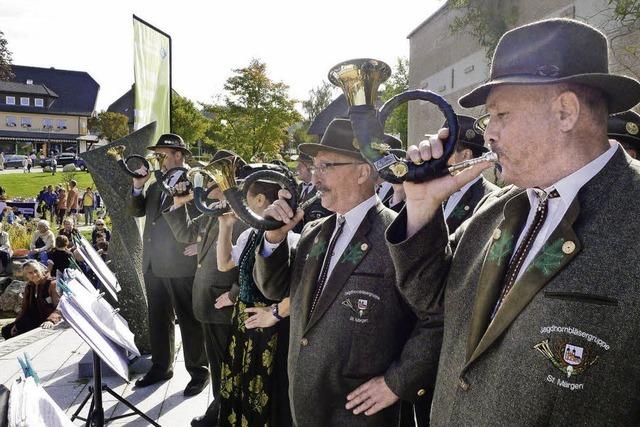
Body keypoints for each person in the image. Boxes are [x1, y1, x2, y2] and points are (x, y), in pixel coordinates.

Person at [386, 18, 640, 425]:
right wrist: (421, 206)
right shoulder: (500, 208)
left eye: (500, 114)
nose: (489, 135)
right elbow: (434, 301)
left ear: (565, 111)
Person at [254, 118, 440, 426]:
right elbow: (275, 290)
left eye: (325, 167)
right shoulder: (314, 232)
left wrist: (397, 382)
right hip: (306, 404)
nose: (315, 179)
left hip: (361, 414)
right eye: (314, 168)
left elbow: (436, 318)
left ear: (363, 172)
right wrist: (274, 238)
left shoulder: (400, 234)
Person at [164, 149, 250, 427]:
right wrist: (179, 204)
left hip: (223, 304)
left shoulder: (242, 215)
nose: (206, 184)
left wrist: (235, 294)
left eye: (212, 178)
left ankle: (224, 415)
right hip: (208, 302)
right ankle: (220, 409)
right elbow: (187, 234)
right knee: (217, 365)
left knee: (227, 366)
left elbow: (252, 262)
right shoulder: (214, 210)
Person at [127, 133, 209, 396]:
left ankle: (199, 371)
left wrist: (201, 244)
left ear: (178, 154)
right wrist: (137, 185)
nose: (158, 160)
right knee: (158, 319)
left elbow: (205, 217)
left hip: (181, 261)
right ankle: (161, 367)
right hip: (153, 262)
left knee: (189, 320)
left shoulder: (196, 179)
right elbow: (136, 211)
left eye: (162, 154)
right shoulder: (155, 185)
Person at [216, 177, 294, 427]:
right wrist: (225, 226)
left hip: (269, 332)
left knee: (264, 392)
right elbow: (224, 264)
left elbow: (297, 290)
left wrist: (273, 312)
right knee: (237, 385)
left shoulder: (290, 238)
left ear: (260, 200)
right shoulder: (249, 234)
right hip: (242, 325)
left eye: (246, 199)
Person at [442, 115, 499, 233]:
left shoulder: (492, 201)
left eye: (445, 151)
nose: (438, 157)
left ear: (466, 155)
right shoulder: (439, 188)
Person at [1, 261, 61, 340]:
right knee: (6, 330)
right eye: (30, 273)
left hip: (45, 318)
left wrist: (51, 320)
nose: (34, 274)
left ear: (40, 269)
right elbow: (25, 308)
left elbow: (59, 306)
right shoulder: (29, 286)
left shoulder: (51, 284)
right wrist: (16, 323)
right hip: (32, 319)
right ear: (26, 275)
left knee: (20, 329)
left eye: (36, 271)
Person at [293, 150, 331, 233]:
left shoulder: (323, 189)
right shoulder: (296, 188)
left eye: (300, 165)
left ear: (310, 166)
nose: (297, 168)